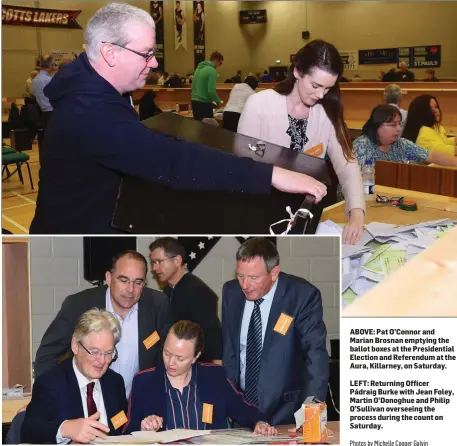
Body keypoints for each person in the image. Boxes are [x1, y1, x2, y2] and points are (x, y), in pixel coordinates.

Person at [29, 3, 326, 235]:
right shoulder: (89, 110)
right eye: (146, 54)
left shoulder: (94, 87)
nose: (155, 63)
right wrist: (272, 174)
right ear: (110, 53)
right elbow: (171, 160)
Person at [238, 40, 365, 245]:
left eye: (328, 88)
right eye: (315, 85)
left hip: (306, 212)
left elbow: (347, 165)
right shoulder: (260, 105)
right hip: (261, 211)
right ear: (297, 72)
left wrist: (357, 213)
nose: (321, 95)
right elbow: (245, 164)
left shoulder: (326, 111)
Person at [34, 250, 171, 398]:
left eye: (138, 282)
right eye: (124, 280)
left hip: (139, 405)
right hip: (89, 402)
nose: (131, 290)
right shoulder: (78, 305)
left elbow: (165, 357)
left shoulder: (157, 305)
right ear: (109, 278)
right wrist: (45, 398)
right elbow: (47, 355)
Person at [222, 238, 329, 425]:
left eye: (253, 277)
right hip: (242, 413)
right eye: (240, 276)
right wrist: (228, 403)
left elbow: (315, 358)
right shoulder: (231, 292)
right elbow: (230, 352)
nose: (245, 285)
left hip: (286, 414)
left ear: (274, 273)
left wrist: (311, 414)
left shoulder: (302, 296)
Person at [124, 320, 277, 435]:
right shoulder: (144, 382)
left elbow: (242, 408)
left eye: (180, 358)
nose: (171, 362)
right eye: (167, 353)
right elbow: (127, 433)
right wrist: (142, 428)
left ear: (195, 357)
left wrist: (260, 422)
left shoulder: (213, 377)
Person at [21, 309, 127, 444]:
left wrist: (142, 428)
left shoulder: (114, 382)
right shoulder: (50, 383)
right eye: (94, 352)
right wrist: (65, 429)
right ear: (75, 346)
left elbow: (121, 425)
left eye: (108, 353)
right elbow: (30, 431)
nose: (102, 361)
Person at [149, 237, 222, 362]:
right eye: (153, 263)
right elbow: (163, 330)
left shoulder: (199, 292)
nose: (155, 268)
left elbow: (212, 340)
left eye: (159, 261)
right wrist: (144, 345)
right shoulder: (169, 290)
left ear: (177, 260)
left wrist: (216, 374)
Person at [353, 104, 457, 168]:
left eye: (400, 124)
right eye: (393, 124)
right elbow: (361, 181)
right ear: (377, 126)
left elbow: (431, 156)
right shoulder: (362, 145)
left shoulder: (401, 143)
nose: (398, 129)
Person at [191, 50, 224, 121]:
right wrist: (218, 103)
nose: (219, 66)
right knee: (207, 129)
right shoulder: (211, 71)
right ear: (216, 60)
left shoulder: (198, 69)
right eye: (220, 63)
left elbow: (193, 86)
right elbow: (211, 91)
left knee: (198, 127)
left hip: (194, 102)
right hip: (204, 103)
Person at [32, 54, 55, 146]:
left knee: (47, 142)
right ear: (50, 65)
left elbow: (34, 94)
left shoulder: (35, 79)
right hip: (52, 112)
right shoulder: (49, 80)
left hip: (43, 113)